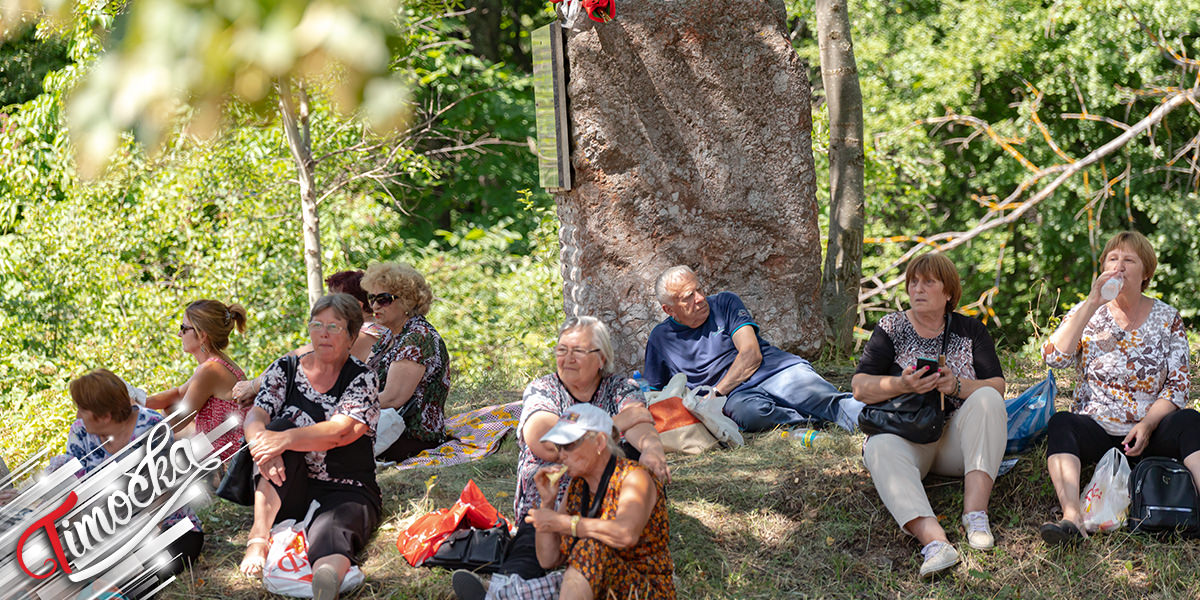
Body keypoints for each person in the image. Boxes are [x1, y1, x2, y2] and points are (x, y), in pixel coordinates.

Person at [452, 317, 668, 600]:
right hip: (554, 496)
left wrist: (653, 450)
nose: (567, 358)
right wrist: (614, 425)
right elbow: (546, 441)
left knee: (591, 555)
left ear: (601, 358)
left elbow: (641, 425)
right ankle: (508, 589)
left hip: (602, 502)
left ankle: (504, 595)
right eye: (561, 350)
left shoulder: (620, 388)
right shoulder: (544, 389)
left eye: (578, 351)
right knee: (530, 551)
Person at [1039, 230, 1200, 544]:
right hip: (1098, 430)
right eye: (1113, 259)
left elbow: (1178, 385)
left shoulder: (1168, 318)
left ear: (1146, 273)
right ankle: (1072, 517)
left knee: (1190, 421)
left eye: (1129, 260)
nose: (1119, 266)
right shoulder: (1089, 314)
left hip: (1148, 433)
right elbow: (1054, 358)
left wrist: (1148, 424)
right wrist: (1091, 303)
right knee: (1061, 423)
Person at [851, 252, 1006, 577]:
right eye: (913, 282)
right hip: (907, 439)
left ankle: (975, 515)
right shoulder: (891, 327)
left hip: (956, 443)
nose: (917, 289)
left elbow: (998, 386)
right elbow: (860, 387)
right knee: (877, 447)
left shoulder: (970, 330)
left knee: (988, 398)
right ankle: (934, 542)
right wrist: (902, 383)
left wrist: (956, 386)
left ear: (948, 292)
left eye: (928, 282)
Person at [238, 294, 381, 600]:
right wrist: (261, 445)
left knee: (332, 531)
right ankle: (259, 536)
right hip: (291, 484)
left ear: (352, 335)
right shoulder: (286, 369)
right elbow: (256, 414)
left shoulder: (362, 378)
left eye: (334, 327)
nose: (324, 333)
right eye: (317, 324)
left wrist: (285, 440)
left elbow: (343, 431)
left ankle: (325, 580)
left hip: (345, 486)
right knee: (275, 427)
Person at [644, 265, 863, 432]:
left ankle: (879, 420)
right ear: (669, 309)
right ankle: (812, 420)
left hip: (773, 371)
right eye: (688, 297)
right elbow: (655, 393)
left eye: (699, 289)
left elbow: (751, 354)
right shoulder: (660, 339)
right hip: (737, 397)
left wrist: (716, 392)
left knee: (819, 396)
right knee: (751, 415)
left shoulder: (725, 303)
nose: (700, 298)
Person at [57, 369, 205, 582]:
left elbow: (166, 490)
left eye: (82, 409)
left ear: (105, 416)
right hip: (106, 533)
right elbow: (75, 490)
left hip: (164, 526)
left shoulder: (151, 426)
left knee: (137, 576)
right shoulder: (80, 432)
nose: (78, 415)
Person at [525, 403, 674, 600]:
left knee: (590, 549)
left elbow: (625, 534)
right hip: (602, 587)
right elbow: (548, 559)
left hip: (645, 590)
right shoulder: (577, 486)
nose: (561, 455)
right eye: (558, 447)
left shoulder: (634, 477)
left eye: (568, 445)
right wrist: (547, 503)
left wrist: (565, 524)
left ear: (600, 442)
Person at [232, 270, 386, 404]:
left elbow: (299, 361)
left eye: (334, 301)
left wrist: (254, 386)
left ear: (357, 306)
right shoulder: (374, 331)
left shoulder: (364, 335)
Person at [360, 262, 451, 461]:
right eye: (372, 298)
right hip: (382, 425)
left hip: (409, 435)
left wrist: (344, 410)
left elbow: (394, 398)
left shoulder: (417, 337)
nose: (374, 306)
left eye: (383, 299)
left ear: (407, 301)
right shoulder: (389, 336)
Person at [146, 299, 248, 460]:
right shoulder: (217, 364)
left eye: (184, 328)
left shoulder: (210, 370)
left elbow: (178, 420)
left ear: (202, 335)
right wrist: (137, 401)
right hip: (219, 451)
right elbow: (178, 394)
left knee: (162, 422)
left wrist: (135, 420)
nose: (179, 334)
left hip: (222, 464)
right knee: (168, 408)